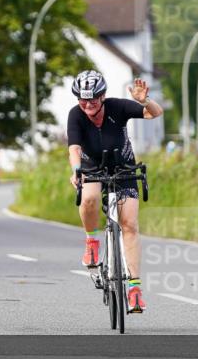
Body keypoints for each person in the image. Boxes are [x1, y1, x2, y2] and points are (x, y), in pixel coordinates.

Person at [67, 70, 163, 313]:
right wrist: (77, 171)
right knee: (88, 197)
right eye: (82, 99)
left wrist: (144, 101)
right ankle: (92, 241)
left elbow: (155, 114)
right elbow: (74, 149)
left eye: (93, 99)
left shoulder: (118, 107)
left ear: (103, 96)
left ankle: (134, 289)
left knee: (129, 224)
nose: (87, 104)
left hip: (124, 168)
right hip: (92, 167)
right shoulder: (75, 115)